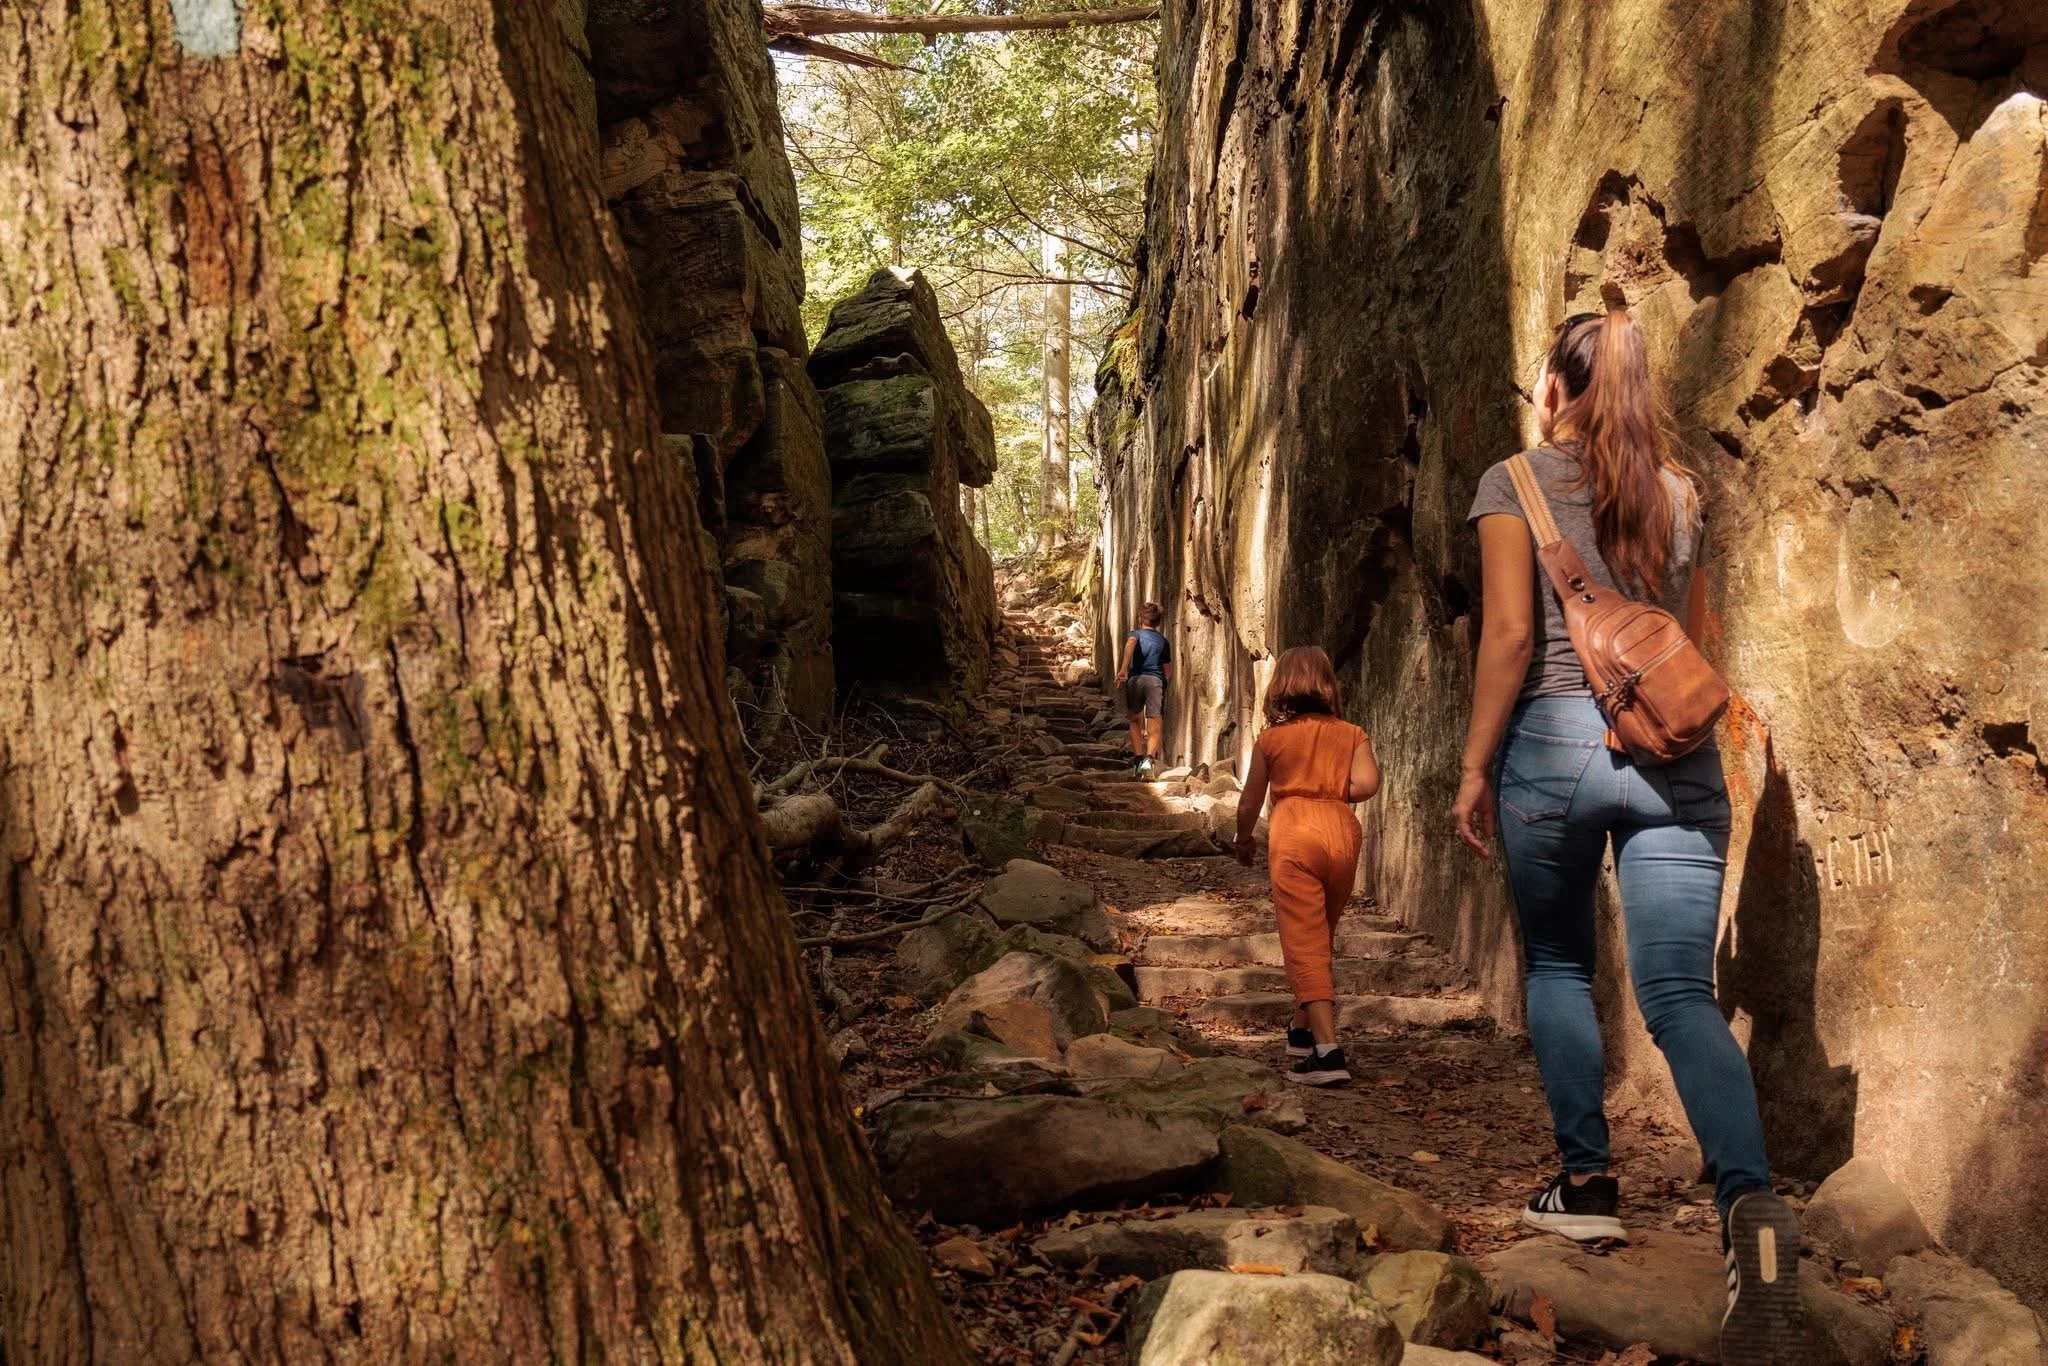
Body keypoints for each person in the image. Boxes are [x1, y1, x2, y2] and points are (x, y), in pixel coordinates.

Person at [1452, 308, 1803, 1364]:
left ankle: (1586, 1184)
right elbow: (1679, 633)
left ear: (1555, 388)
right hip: (1672, 751)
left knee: (1559, 963)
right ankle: (1750, 1210)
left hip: (1552, 744)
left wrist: (1473, 767)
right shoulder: (1681, 493)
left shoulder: (1512, 483)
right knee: (1680, 995)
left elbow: (1511, 635)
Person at [1233, 645, 1381, 1086]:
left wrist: (1243, 839)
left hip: (1295, 831)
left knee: (1304, 941)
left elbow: (1249, 801)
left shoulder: (1271, 739)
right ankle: (1301, 1031)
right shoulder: (1352, 733)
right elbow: (1367, 784)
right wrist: (1331, 788)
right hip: (1341, 832)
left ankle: (1328, 1052)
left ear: (1281, 686)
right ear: (1327, 684)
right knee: (1320, 934)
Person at [1114, 602, 1172, 776]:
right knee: (1155, 720)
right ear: (1158, 622)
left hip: (1136, 680)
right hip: (1155, 681)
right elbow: (1167, 670)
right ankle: (1148, 761)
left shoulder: (1135, 634)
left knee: (1135, 719)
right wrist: (1163, 684)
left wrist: (1123, 669)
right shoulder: (1163, 641)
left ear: (1140, 618)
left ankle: (1138, 759)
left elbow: (1130, 644)